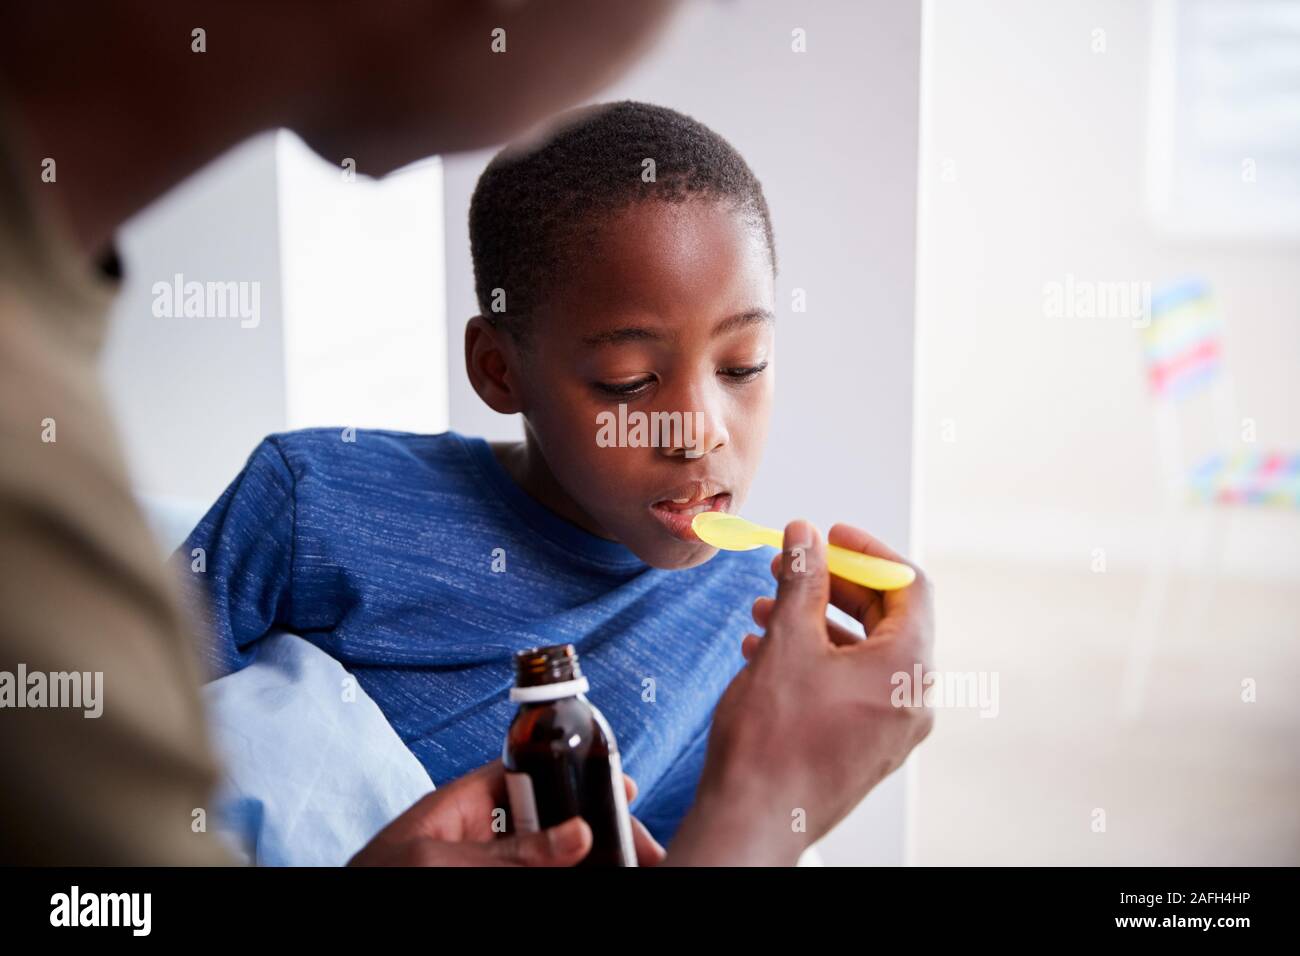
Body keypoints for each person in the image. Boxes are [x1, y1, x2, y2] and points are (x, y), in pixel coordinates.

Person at [0, 1, 933, 866]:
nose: (698, 432)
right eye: (626, 380)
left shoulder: (748, 633)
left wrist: (784, 794)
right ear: (499, 370)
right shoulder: (315, 496)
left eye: (744, 367)